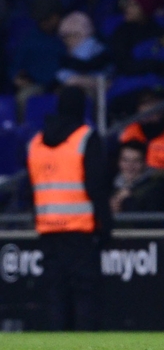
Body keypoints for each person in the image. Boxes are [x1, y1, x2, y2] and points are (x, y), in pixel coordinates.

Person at [26, 87, 112, 330]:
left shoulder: (36, 143)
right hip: (80, 229)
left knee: (55, 293)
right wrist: (105, 225)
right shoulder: (85, 138)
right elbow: (96, 186)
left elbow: (31, 189)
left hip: (48, 229)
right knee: (85, 292)